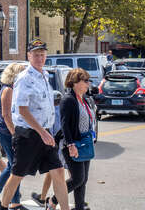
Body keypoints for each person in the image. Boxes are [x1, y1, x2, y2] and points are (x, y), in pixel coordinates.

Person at [0, 39, 71, 210]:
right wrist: (42, 132)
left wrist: (47, 131)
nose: (39, 58)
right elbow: (22, 110)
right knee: (17, 174)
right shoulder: (24, 78)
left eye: (42, 54)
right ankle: (2, 207)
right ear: (29, 56)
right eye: (36, 54)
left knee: (58, 172)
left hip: (45, 132)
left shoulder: (45, 76)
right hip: (28, 134)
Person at [45, 69, 96, 210]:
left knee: (83, 179)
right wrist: (71, 144)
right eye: (85, 81)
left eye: (88, 80)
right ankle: (53, 200)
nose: (88, 83)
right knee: (77, 178)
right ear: (74, 83)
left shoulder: (84, 99)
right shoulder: (68, 100)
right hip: (72, 144)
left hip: (85, 143)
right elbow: (65, 124)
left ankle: (79, 207)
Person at [0, 62, 27, 209]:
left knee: (12, 166)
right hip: (6, 132)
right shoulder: (8, 90)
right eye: (22, 73)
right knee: (15, 167)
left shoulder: (13, 89)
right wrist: (15, 134)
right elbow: (6, 115)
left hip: (9, 132)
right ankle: (14, 202)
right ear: (15, 75)